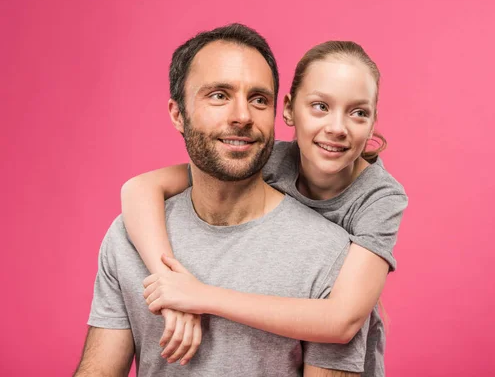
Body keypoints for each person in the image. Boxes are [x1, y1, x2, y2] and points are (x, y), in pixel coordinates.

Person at [75, 23, 366, 377]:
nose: (242, 116)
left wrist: (194, 296)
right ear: (177, 114)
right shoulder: (131, 235)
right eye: (219, 95)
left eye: (259, 99)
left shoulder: (329, 253)